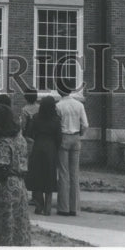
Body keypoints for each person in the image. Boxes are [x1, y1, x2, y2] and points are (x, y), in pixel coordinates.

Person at [0, 103, 32, 246]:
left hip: (5, 187)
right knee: (19, 224)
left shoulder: (4, 142)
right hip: (20, 186)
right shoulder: (20, 138)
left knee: (5, 225)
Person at [54, 82, 89, 216]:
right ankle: (74, 207)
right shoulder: (79, 105)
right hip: (76, 138)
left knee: (63, 173)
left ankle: (64, 207)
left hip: (63, 137)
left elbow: (57, 125)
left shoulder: (58, 106)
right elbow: (85, 124)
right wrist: (80, 134)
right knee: (74, 173)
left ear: (59, 91)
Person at [25, 95, 60, 215]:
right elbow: (59, 137)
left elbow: (30, 133)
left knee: (37, 178)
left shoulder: (36, 118)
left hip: (38, 147)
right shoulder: (56, 119)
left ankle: (39, 205)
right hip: (51, 148)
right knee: (49, 177)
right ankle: (48, 208)